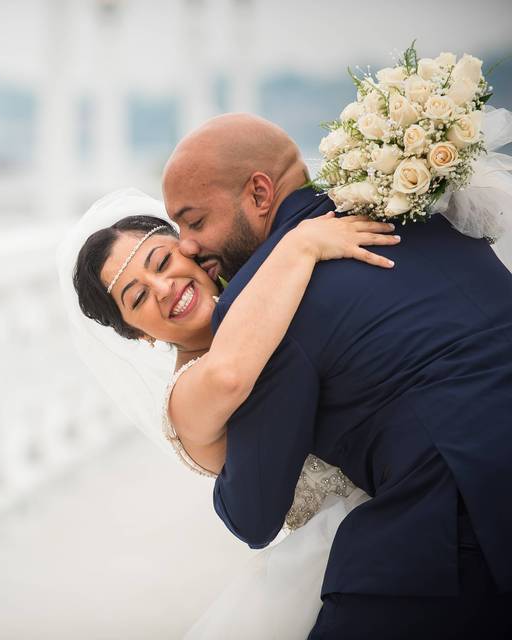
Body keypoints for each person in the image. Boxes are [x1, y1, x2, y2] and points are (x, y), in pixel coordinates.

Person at [160, 113, 512, 637]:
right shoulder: (416, 211)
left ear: (259, 194)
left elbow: (253, 515)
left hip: (463, 508)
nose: (186, 246)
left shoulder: (265, 300)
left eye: (193, 221)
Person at [58, 188, 395, 637]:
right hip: (347, 554)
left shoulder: (265, 291)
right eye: (137, 299)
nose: (163, 289)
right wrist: (300, 244)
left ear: (190, 251)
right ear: (139, 335)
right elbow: (230, 375)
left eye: (162, 263)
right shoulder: (184, 399)